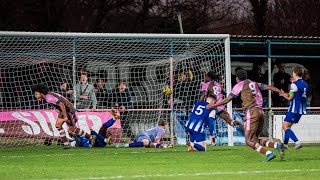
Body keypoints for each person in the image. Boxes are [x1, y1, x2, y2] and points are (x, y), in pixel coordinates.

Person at [206, 70, 283, 161]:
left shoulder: (239, 85)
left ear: (237, 78)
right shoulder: (253, 83)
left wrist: (213, 105)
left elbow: (227, 100)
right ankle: (275, 145)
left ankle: (269, 153)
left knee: (248, 141)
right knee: (254, 139)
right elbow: (268, 87)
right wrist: (280, 92)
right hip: (260, 111)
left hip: (251, 112)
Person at [31, 83, 92, 148]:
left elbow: (61, 104)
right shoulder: (49, 94)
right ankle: (66, 143)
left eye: (36, 94)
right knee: (58, 125)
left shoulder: (48, 98)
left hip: (68, 110)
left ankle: (91, 137)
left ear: (41, 93)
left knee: (72, 129)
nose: (36, 96)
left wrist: (65, 116)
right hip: (65, 110)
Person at [279, 66, 308, 150]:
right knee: (288, 127)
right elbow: (298, 93)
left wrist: (283, 94)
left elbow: (290, 98)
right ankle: (285, 145)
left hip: (294, 108)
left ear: (295, 73)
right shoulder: (305, 83)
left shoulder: (294, 84)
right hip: (301, 109)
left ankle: (297, 142)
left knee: (284, 127)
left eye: (293, 72)